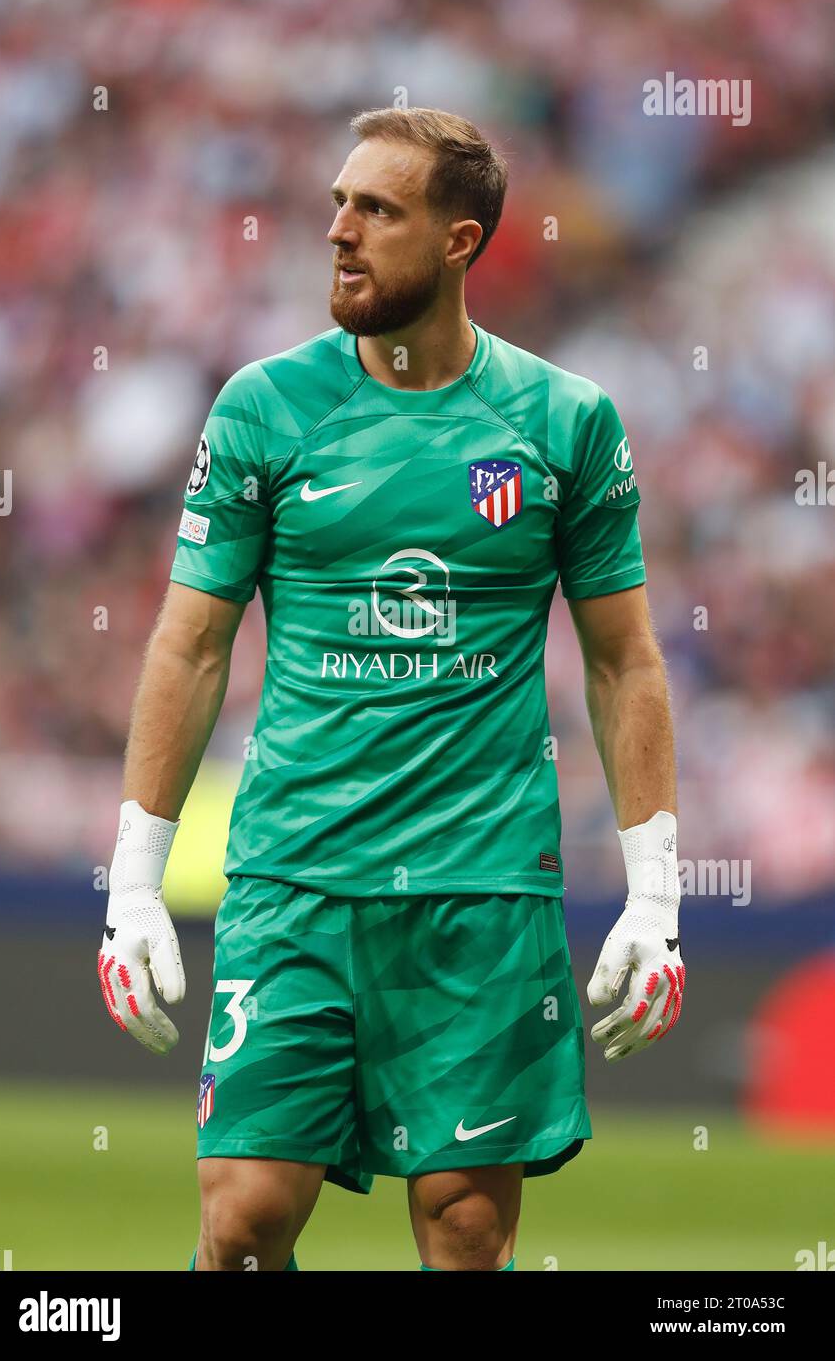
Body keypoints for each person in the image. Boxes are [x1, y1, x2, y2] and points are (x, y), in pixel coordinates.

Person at [97, 107, 685, 1272]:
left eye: (377, 210)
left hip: (481, 890)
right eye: (335, 204)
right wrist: (132, 883)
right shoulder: (264, 409)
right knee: (243, 1218)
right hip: (294, 878)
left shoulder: (563, 423)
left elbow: (623, 658)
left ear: (459, 242)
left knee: (464, 1231)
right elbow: (187, 645)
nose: (339, 232)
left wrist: (656, 899)